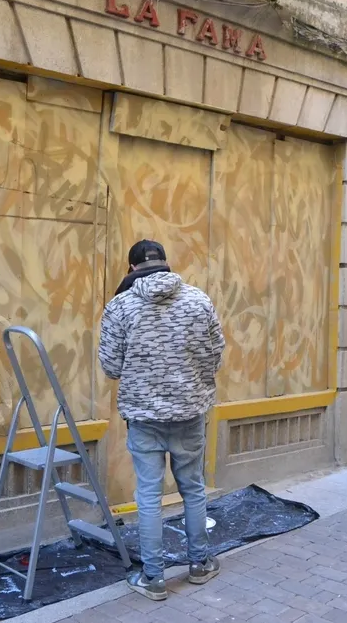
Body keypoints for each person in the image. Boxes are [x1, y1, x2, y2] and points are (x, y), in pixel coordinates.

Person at [98, 239, 226, 601]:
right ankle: (200, 564)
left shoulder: (120, 306)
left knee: (150, 496)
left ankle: (153, 579)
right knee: (193, 488)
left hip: (144, 417)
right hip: (189, 413)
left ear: (131, 269)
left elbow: (110, 366)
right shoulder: (198, 300)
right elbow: (215, 354)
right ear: (167, 265)